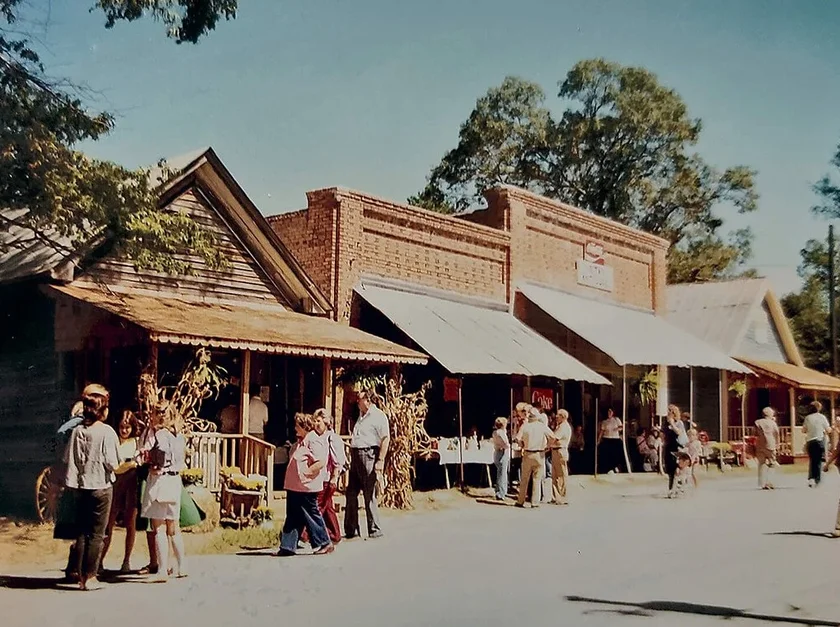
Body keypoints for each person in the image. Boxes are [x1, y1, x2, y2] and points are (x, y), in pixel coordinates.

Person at [63, 384, 119, 590]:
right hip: (101, 486)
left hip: (80, 486)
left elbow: (68, 457)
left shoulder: (77, 431)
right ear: (102, 410)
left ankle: (79, 574)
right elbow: (113, 463)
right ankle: (90, 576)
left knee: (82, 531)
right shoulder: (106, 432)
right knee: (96, 534)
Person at [140, 400, 188, 582]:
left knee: (158, 528)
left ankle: (162, 570)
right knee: (174, 528)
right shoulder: (179, 436)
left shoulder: (156, 434)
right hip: (175, 481)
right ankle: (182, 566)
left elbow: (146, 454)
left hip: (159, 480)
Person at [278, 413, 333, 556]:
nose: (295, 428)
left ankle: (324, 542)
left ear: (304, 426)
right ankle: (288, 546)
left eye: (297, 425)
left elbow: (321, 461)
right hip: (295, 486)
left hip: (306, 486)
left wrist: (307, 472)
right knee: (293, 515)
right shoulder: (303, 440)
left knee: (311, 514)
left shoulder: (313, 440)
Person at [344, 389, 390, 539]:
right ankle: (351, 529)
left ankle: (374, 528)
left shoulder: (378, 416)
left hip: (368, 454)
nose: (358, 401)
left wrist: (380, 460)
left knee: (369, 494)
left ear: (368, 400)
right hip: (356, 454)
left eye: (360, 399)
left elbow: (385, 438)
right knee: (351, 492)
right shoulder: (361, 416)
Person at [100, 411, 140, 573]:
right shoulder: (114, 441)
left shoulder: (136, 442)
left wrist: (131, 465)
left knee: (131, 523)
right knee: (108, 523)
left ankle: (126, 561)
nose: (124, 430)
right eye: (122, 427)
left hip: (131, 484)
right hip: (116, 485)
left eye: (127, 427)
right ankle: (100, 560)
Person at [301, 408, 346, 545]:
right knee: (327, 507)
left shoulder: (332, 438)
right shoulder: (316, 437)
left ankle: (305, 534)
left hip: (327, 477)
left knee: (318, 506)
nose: (316, 424)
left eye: (319, 421)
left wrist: (334, 477)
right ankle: (334, 533)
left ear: (326, 422)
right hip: (319, 477)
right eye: (315, 421)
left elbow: (337, 459)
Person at [54, 400, 85, 582]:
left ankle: (78, 566)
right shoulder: (75, 430)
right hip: (76, 479)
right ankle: (74, 567)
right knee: (78, 525)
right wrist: (77, 418)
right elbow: (62, 431)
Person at [514, 407, 557, 508]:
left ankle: (521, 500)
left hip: (528, 453)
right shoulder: (542, 426)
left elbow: (517, 439)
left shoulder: (525, 426)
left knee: (524, 479)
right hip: (540, 453)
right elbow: (553, 437)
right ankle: (535, 502)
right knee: (537, 479)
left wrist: (522, 445)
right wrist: (548, 446)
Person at [802, 400, 831, 487]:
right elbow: (828, 429)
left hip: (810, 441)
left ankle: (811, 478)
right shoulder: (822, 417)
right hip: (819, 440)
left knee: (812, 460)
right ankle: (817, 479)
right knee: (818, 461)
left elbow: (804, 430)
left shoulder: (807, 418)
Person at [550, 409, 572, 505]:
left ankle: (562, 496)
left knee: (560, 475)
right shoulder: (559, 426)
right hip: (555, 451)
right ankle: (556, 496)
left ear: (563, 417)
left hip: (560, 450)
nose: (556, 417)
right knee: (554, 475)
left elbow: (555, 438)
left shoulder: (563, 427)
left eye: (558, 415)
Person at [755, 407, 780, 490]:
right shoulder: (773, 423)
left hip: (760, 445)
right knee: (772, 463)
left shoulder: (757, 422)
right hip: (770, 444)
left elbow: (754, 432)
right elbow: (776, 433)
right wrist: (777, 444)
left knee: (761, 463)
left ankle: (761, 483)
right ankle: (769, 482)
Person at [664, 405, 685, 495]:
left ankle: (677, 486)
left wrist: (672, 424)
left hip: (677, 447)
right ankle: (672, 488)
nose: (667, 414)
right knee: (669, 469)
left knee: (676, 468)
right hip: (668, 447)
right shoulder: (666, 424)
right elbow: (664, 435)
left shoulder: (679, 423)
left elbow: (679, 432)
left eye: (669, 412)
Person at [597, 408, 624, 474]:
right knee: (607, 455)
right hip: (607, 439)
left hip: (615, 439)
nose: (609, 412)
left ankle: (615, 467)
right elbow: (602, 431)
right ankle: (607, 469)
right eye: (608, 411)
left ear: (613, 412)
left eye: (610, 411)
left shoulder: (616, 419)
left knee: (615, 455)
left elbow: (622, 427)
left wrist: (616, 429)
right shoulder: (604, 421)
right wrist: (598, 440)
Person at [491, 417, 511, 500]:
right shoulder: (501, 433)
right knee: (503, 473)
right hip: (502, 452)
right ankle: (501, 493)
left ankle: (498, 490)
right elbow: (506, 444)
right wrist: (508, 445)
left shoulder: (495, 432)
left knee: (500, 473)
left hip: (496, 452)